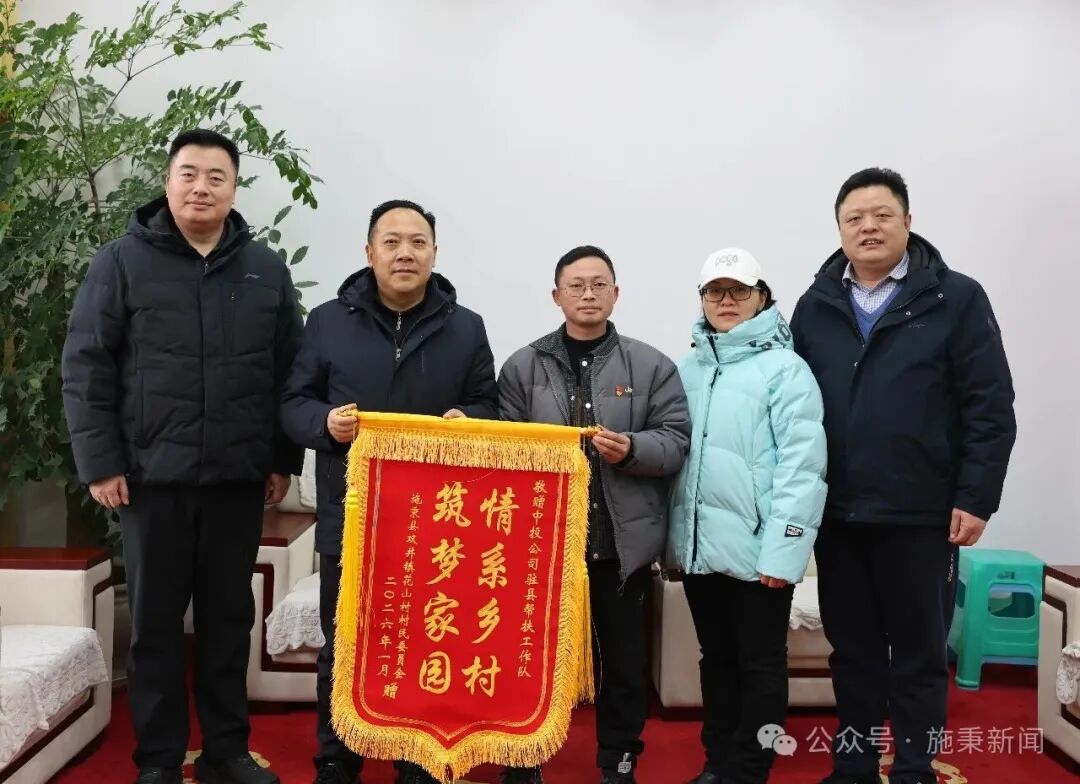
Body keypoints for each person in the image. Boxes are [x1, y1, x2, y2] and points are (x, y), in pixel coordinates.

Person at [61, 129, 302, 784]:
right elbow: (86, 366)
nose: (201, 187)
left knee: (228, 621)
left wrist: (281, 458)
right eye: (189, 174)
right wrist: (100, 462)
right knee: (156, 627)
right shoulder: (121, 262)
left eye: (216, 177)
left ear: (234, 190)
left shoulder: (264, 269)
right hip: (149, 480)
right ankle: (160, 760)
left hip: (236, 479)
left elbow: (289, 370)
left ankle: (226, 750)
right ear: (168, 183)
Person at [790, 168, 1017, 784]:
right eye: (854, 218)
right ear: (839, 229)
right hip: (839, 514)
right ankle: (855, 767)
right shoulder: (815, 306)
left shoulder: (956, 298)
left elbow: (990, 405)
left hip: (922, 513)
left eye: (882, 215)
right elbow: (792, 410)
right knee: (853, 654)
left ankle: (914, 769)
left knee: (918, 655)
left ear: (908, 222)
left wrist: (976, 496)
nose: (868, 227)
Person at [279, 199, 498, 784]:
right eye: (392, 241)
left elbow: (488, 403)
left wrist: (469, 421)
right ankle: (337, 757)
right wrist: (325, 423)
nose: (405, 253)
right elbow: (293, 404)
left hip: (437, 520)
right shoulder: (328, 321)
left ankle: (417, 756)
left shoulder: (467, 327)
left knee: (427, 638)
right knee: (345, 641)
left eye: (418, 242)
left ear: (434, 253)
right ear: (369, 251)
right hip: (351, 513)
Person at [497, 245, 691, 784]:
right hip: (543, 548)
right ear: (556, 295)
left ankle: (619, 762)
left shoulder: (650, 365)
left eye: (599, 284)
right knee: (530, 661)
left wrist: (631, 449)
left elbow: (676, 442)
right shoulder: (522, 366)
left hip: (620, 547)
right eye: (576, 285)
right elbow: (502, 448)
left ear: (616, 293)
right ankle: (522, 761)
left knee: (623, 666)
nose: (588, 294)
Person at [667, 248, 827, 784]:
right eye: (715, 291)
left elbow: (803, 470)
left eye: (739, 290)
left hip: (760, 554)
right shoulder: (687, 369)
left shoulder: (787, 370)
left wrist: (784, 553)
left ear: (761, 297)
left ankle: (751, 769)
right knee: (716, 659)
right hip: (700, 551)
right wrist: (675, 546)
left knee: (760, 664)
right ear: (702, 299)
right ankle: (718, 762)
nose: (727, 300)